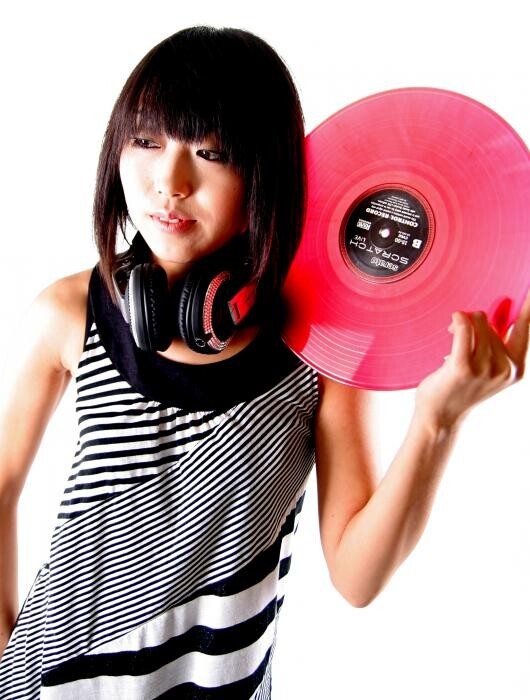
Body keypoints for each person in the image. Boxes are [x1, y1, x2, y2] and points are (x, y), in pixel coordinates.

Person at [0, 25, 528, 699]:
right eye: (148, 142)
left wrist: (437, 421)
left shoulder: (319, 348)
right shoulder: (69, 312)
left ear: (264, 175)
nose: (170, 182)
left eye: (212, 153)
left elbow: (357, 578)